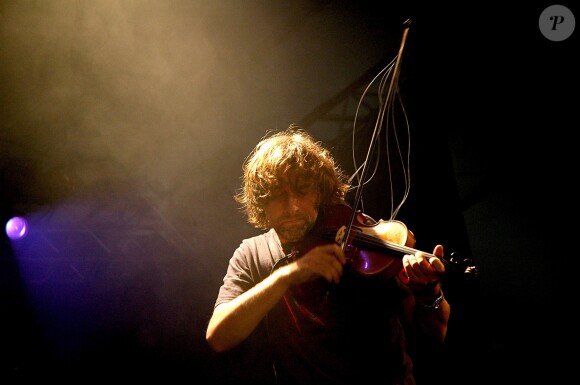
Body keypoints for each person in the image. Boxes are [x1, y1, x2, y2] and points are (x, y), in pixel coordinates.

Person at [206, 124, 450, 385]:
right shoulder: (253, 254)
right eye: (278, 196)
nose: (293, 208)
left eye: (302, 191)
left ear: (320, 193)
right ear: (261, 202)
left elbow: (436, 333)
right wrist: (287, 276)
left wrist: (429, 296)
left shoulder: (361, 234)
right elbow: (219, 337)